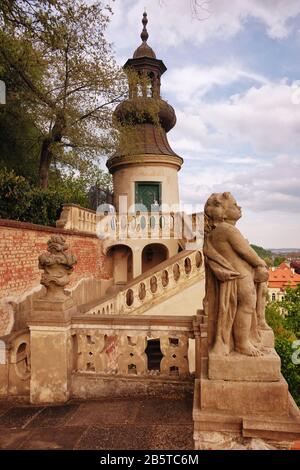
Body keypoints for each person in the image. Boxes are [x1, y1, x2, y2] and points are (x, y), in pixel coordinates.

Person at [203, 192, 269, 357]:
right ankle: (242, 343)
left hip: (238, 276)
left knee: (245, 307)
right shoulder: (227, 230)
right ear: (223, 213)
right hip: (241, 276)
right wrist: (261, 263)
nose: (239, 207)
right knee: (246, 307)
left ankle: (243, 341)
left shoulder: (217, 231)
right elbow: (246, 252)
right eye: (234, 205)